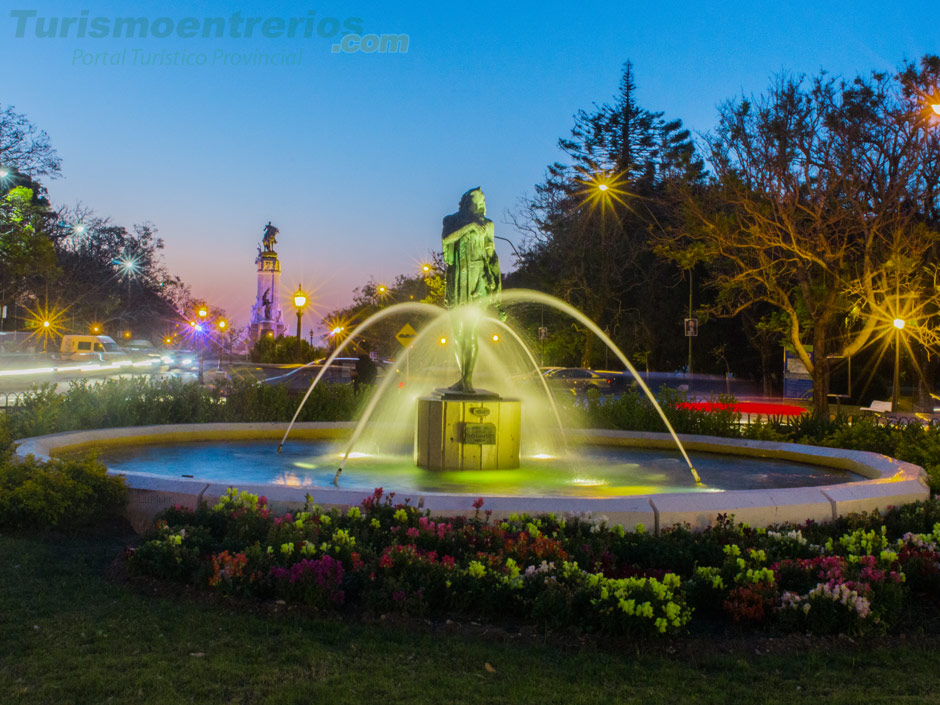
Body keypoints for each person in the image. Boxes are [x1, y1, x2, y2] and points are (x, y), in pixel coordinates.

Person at [441, 187, 503, 392]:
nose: (481, 201)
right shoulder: (451, 220)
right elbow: (447, 239)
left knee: (471, 332)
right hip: (457, 278)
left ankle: (467, 380)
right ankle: (463, 378)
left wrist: (497, 295)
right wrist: (470, 227)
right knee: (457, 334)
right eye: (478, 198)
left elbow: (492, 257)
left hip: (477, 281)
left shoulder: (488, 224)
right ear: (467, 199)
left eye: (483, 199)